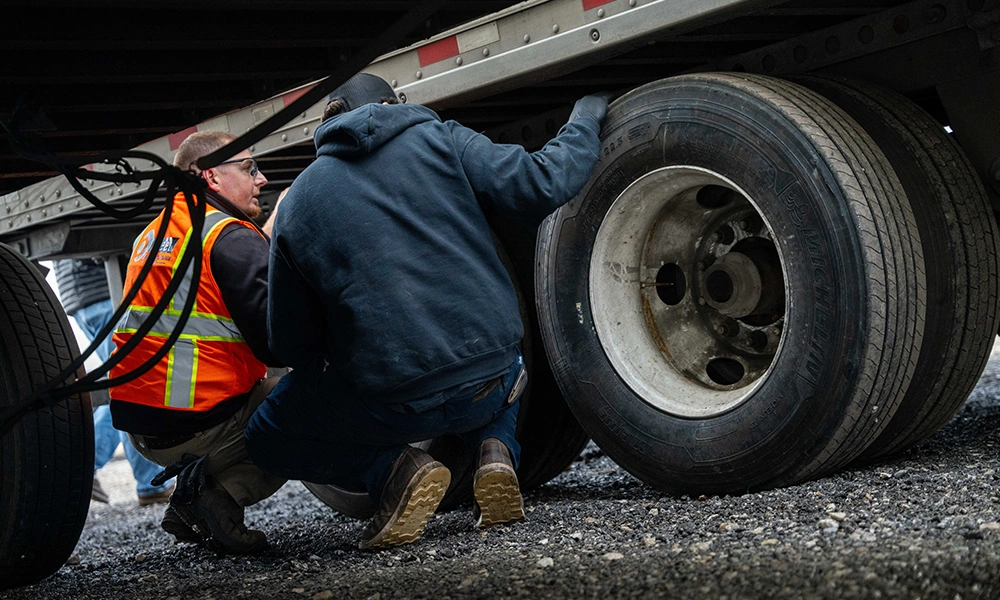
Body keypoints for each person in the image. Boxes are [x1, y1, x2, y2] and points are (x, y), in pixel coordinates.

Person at [245, 73, 610, 550]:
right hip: (492, 384)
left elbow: (291, 344)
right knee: (494, 359)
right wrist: (585, 115)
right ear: (391, 105)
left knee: (265, 436)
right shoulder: (443, 139)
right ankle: (496, 452)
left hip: (394, 406)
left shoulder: (299, 200)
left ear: (328, 124)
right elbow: (543, 182)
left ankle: (395, 469)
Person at [108, 131, 286, 554]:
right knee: (315, 402)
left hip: (144, 433)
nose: (261, 179)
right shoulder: (229, 237)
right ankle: (217, 498)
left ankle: (192, 504)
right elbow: (278, 345)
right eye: (249, 169)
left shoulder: (152, 236)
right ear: (212, 177)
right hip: (198, 428)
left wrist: (262, 236)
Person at [53, 258, 174, 506]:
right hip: (106, 290)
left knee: (121, 387)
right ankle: (149, 482)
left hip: (83, 296)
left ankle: (80, 467)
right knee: (131, 386)